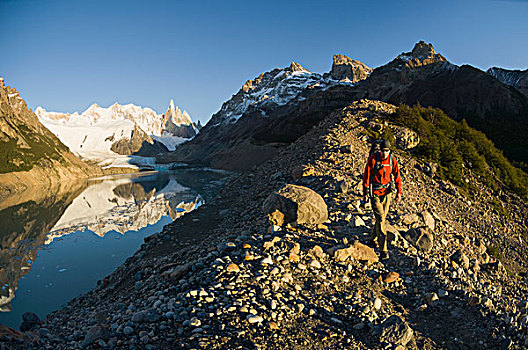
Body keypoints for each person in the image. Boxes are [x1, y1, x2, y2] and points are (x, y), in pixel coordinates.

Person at [362, 139, 402, 260]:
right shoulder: (373, 159)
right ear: (380, 150)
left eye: (387, 151)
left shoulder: (391, 160)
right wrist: (365, 193)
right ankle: (383, 250)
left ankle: (372, 239)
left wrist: (399, 192)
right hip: (375, 194)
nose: (385, 153)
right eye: (383, 151)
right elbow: (366, 176)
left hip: (387, 193)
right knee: (381, 220)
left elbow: (397, 175)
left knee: (382, 218)